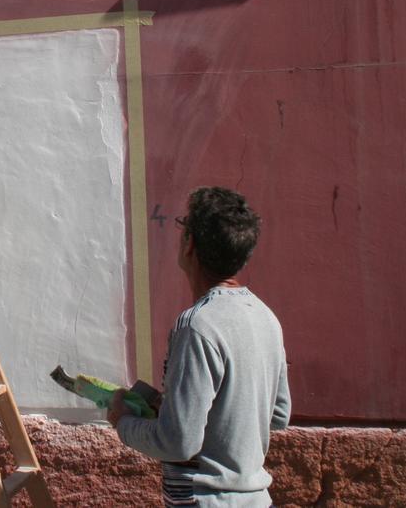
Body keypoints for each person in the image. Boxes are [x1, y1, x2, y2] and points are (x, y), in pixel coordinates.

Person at [108, 187, 291, 507]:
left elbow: (179, 442)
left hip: (206, 499)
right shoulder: (265, 317)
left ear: (189, 242)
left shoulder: (196, 325)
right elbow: (278, 414)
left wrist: (123, 422)